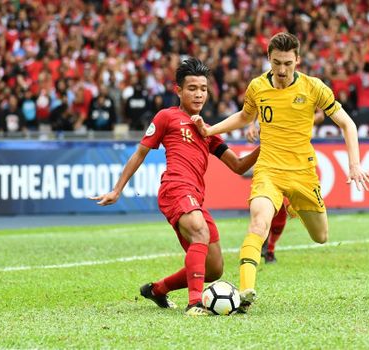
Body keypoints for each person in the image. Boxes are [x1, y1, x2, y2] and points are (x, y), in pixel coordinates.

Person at [192, 32, 369, 312]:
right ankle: (245, 291)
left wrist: (354, 164)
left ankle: (295, 208)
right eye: (276, 62)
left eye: (288, 63)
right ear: (268, 58)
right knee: (258, 223)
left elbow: (348, 124)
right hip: (268, 170)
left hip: (303, 173)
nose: (281, 70)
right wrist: (211, 129)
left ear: (298, 60)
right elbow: (244, 117)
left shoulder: (314, 88)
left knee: (321, 236)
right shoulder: (257, 87)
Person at [90, 58, 260, 316]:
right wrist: (117, 189)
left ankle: (158, 289)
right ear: (178, 90)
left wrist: (264, 147)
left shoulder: (209, 130)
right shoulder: (166, 117)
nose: (199, 93)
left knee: (214, 268)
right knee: (200, 234)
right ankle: (195, 304)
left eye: (203, 88)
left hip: (195, 197)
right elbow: (139, 154)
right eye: (192, 88)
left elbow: (237, 166)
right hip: (175, 189)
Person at [244, 110, 325, 264]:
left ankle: (270, 249)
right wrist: (251, 125)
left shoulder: (311, 87)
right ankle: (263, 245)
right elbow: (253, 104)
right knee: (267, 206)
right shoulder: (266, 87)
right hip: (272, 154)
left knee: (283, 208)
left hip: (296, 157)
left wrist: (301, 123)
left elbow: (321, 114)